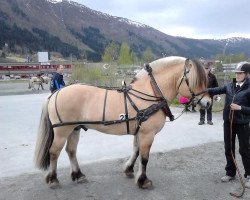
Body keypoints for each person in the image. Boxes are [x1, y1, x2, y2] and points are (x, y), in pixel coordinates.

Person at [207, 62, 250, 187]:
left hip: (242, 123)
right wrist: (201, 91)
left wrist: (240, 108)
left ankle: (249, 174)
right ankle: (230, 173)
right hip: (228, 123)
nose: (237, 75)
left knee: (245, 150)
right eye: (236, 73)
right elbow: (214, 90)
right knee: (228, 148)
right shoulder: (229, 86)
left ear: (246, 74)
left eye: (240, 73)